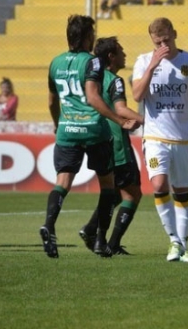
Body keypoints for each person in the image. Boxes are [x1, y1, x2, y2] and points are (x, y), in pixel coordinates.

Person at [41, 14, 138, 259]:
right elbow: (93, 97)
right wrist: (119, 120)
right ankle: (100, 241)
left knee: (62, 183)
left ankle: (49, 226)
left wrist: (57, 124)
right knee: (107, 186)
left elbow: (52, 101)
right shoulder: (93, 62)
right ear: (87, 37)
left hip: (67, 129)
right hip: (95, 130)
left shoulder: (55, 62)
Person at [132, 17, 188, 262]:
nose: (163, 45)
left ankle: (183, 246)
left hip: (183, 138)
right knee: (159, 184)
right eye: (158, 41)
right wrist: (152, 66)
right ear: (152, 40)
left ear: (175, 34)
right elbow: (136, 95)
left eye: (167, 39)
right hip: (155, 137)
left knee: (182, 192)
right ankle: (173, 240)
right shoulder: (143, 61)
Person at [79, 37, 144, 256]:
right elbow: (122, 109)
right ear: (111, 57)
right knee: (132, 195)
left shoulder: (91, 78)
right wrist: (150, 122)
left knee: (113, 193)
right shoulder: (114, 80)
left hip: (96, 139)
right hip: (117, 142)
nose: (125, 55)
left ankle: (91, 230)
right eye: (121, 51)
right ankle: (112, 244)